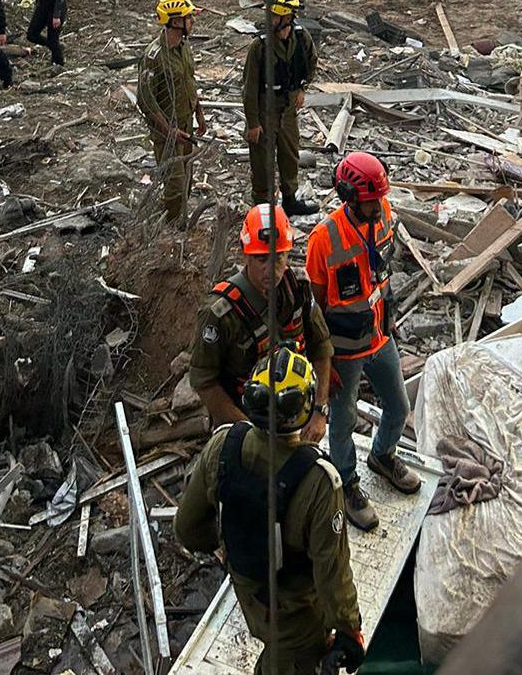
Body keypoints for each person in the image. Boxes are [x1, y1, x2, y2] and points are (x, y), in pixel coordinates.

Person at [175, 346, 365, 675]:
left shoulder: (223, 445)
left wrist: (226, 549)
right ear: (304, 409)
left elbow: (187, 528)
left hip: (247, 590)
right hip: (294, 613)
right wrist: (349, 629)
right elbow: (331, 571)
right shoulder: (319, 481)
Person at [306, 152, 420, 532]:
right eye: (370, 200)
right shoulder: (324, 238)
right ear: (348, 195)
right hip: (344, 348)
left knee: (399, 406)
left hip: (378, 334)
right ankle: (347, 482)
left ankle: (383, 455)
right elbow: (317, 306)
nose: (376, 206)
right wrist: (322, 363)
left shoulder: (384, 213)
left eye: (379, 199)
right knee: (343, 420)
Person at [190, 203, 333, 442]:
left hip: (297, 414)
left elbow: (321, 345)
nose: (271, 269)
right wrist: (249, 434)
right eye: (261, 259)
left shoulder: (297, 289)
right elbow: (204, 381)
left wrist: (319, 410)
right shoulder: (220, 312)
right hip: (245, 421)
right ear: (246, 255)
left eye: (278, 258)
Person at [242, 0, 318, 217]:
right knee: (262, 161)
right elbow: (249, 88)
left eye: (275, 16)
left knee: (289, 154)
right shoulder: (260, 46)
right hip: (265, 110)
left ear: (286, 18)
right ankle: (262, 207)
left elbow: (311, 63)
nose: (271, 20)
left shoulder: (301, 38)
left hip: (288, 110)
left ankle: (290, 198)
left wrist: (302, 87)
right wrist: (253, 123)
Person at [136, 0, 206, 219]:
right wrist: (169, 131)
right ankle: (174, 226)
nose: (192, 22)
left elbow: (189, 81)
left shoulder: (184, 47)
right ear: (175, 22)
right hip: (167, 129)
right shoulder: (153, 56)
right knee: (174, 183)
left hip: (186, 122)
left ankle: (180, 215)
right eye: (188, 18)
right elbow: (146, 100)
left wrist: (199, 114)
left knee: (186, 176)